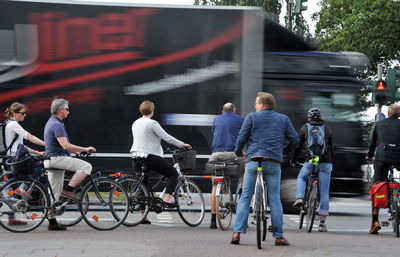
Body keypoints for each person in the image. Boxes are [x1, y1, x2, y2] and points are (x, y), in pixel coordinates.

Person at [231, 92, 298, 246]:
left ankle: (237, 233)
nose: (255, 105)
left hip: (254, 160)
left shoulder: (252, 117)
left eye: (256, 102)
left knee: (246, 196)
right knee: (274, 198)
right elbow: (294, 139)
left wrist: (238, 152)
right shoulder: (283, 119)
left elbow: (241, 137)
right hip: (273, 161)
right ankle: (278, 236)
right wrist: (283, 150)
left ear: (261, 104)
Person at [130, 100, 191, 223]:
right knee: (173, 173)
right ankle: (167, 198)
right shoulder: (152, 123)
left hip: (135, 156)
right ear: (152, 111)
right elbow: (166, 137)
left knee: (144, 183)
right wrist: (182, 144)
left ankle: (143, 216)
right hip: (149, 156)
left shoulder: (135, 123)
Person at [44, 98, 96, 231]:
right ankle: (69, 190)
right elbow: (65, 145)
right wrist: (84, 149)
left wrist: (77, 152)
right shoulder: (57, 125)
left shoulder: (51, 122)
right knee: (86, 166)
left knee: (54, 194)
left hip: (51, 159)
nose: (68, 111)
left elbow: (63, 146)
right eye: (67, 109)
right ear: (60, 110)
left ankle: (52, 222)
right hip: (57, 159)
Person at [290, 107, 334, 232]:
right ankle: (322, 224)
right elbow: (331, 147)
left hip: (310, 161)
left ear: (309, 117)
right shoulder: (327, 129)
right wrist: (331, 160)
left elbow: (298, 146)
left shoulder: (305, 128)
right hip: (325, 162)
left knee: (302, 177)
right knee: (324, 192)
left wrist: (294, 160)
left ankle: (300, 198)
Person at [3, 102, 45, 225]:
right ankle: (23, 188)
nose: (25, 115)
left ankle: (11, 218)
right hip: (15, 160)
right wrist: (47, 144)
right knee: (38, 168)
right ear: (14, 113)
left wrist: (37, 151)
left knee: (12, 188)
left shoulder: (7, 124)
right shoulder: (13, 124)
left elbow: (21, 146)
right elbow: (29, 137)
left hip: (8, 159)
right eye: (22, 113)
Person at [366, 103, 400, 234]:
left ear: (389, 112)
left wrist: (369, 156)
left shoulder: (380, 124)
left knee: (377, 187)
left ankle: (375, 222)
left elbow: (373, 143)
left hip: (382, 158)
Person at [209, 103, 244, 229]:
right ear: (234, 111)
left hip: (216, 155)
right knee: (245, 171)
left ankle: (213, 220)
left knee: (214, 185)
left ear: (222, 111)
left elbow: (215, 134)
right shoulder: (241, 119)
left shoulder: (216, 119)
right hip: (233, 154)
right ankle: (241, 194)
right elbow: (244, 137)